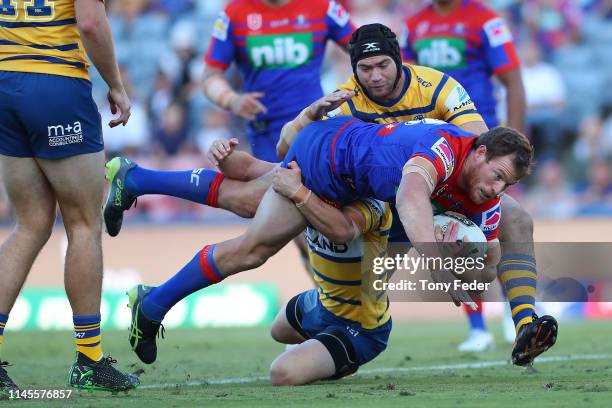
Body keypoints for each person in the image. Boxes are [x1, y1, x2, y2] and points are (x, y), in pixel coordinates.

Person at [124, 115, 556, 369]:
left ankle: (140, 194)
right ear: (479, 154)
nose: (497, 188)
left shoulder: (484, 192)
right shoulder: (445, 146)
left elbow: (491, 254)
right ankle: (154, 300)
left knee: (253, 189)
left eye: (507, 183)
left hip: (366, 185)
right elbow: (410, 196)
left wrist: (469, 267)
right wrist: (442, 265)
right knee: (259, 242)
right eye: (497, 176)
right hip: (326, 163)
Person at [0, 0, 139, 395]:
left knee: (29, 225)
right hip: (56, 83)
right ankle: (89, 361)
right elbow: (92, 23)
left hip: (6, 82)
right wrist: (116, 84)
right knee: (83, 223)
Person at [402, 0, 527, 351]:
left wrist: (515, 151)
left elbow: (513, 81)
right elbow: (407, 83)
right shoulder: (414, 25)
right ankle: (477, 326)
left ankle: (512, 311)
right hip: (438, 149)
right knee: (457, 236)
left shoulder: (485, 20)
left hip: (484, 149)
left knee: (500, 227)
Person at [202, 0, 354, 162]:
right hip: (266, 132)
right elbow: (210, 75)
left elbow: (364, 48)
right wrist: (232, 100)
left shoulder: (322, 6)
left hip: (314, 124)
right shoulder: (234, 13)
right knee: (274, 184)